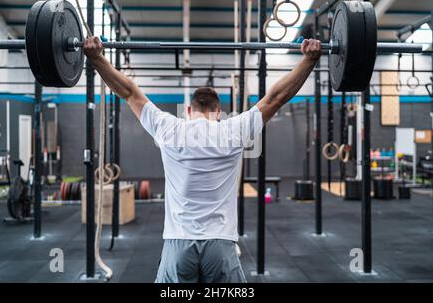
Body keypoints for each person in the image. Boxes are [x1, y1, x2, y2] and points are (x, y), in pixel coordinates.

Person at [83, 37, 321, 283]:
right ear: (218, 112)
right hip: (220, 245)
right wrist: (309, 60)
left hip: (178, 243)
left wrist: (97, 58)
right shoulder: (233, 131)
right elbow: (276, 98)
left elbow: (130, 92)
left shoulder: (169, 128)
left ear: (188, 110)